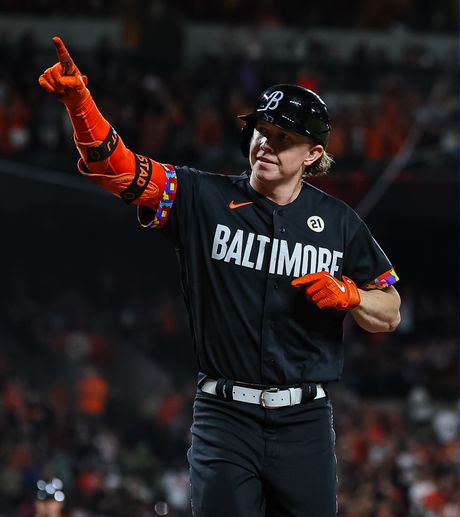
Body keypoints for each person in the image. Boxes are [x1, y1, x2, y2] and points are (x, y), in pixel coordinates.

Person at [38, 37, 401, 517]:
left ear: (313, 154)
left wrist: (353, 296)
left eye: (283, 138)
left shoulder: (339, 223)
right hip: (225, 416)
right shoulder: (200, 198)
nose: (265, 144)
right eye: (260, 131)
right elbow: (116, 169)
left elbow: (390, 311)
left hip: (305, 420)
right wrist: (81, 105)